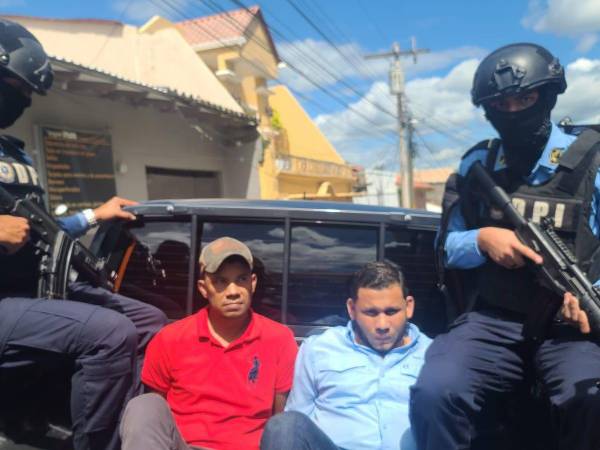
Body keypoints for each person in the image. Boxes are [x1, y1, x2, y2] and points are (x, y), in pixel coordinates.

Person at [410, 43, 600, 450]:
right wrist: (482, 239)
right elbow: (445, 248)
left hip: (570, 327)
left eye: (524, 99)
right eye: (500, 104)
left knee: (591, 400)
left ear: (548, 96)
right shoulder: (478, 163)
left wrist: (591, 297)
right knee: (435, 391)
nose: (513, 111)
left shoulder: (592, 161)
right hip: (495, 321)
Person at [0, 19, 167, 450]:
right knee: (110, 333)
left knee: (150, 322)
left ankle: (135, 431)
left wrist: (95, 215)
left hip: (31, 290)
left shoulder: (14, 153)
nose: (23, 100)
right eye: (15, 87)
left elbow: (42, 229)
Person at [120, 237, 299, 450]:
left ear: (253, 283)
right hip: (186, 446)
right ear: (203, 288)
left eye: (241, 279)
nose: (233, 291)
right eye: (221, 281)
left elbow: (281, 420)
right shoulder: (170, 339)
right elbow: (156, 411)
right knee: (143, 405)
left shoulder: (279, 339)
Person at [260, 261, 431, 450]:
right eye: (371, 313)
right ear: (351, 309)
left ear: (408, 306)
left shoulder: (434, 355)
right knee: (283, 426)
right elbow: (297, 417)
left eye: (391, 312)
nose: (382, 325)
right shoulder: (319, 349)